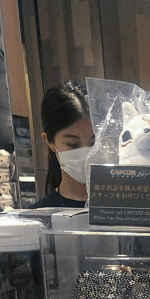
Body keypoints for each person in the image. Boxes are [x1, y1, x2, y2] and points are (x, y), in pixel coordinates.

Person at [31, 81, 94, 209]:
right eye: (73, 144)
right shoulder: (38, 215)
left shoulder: (126, 207)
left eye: (94, 143)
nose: (86, 153)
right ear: (50, 142)